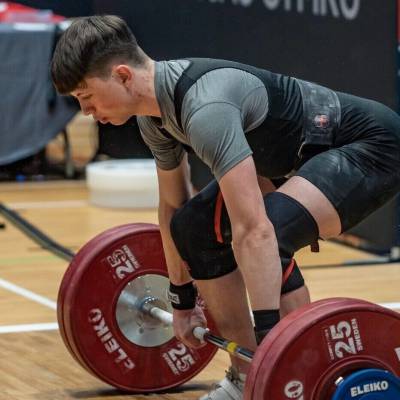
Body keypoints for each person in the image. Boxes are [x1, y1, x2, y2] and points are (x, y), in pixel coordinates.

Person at [51, 15, 400, 400]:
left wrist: (271, 339)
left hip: (370, 148)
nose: (86, 112)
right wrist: (181, 301)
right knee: (193, 228)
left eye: (86, 98)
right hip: (296, 162)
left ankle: (296, 371)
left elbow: (256, 229)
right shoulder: (155, 120)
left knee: (272, 234)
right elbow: (172, 208)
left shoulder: (206, 108)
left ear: (122, 76)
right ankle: (245, 376)